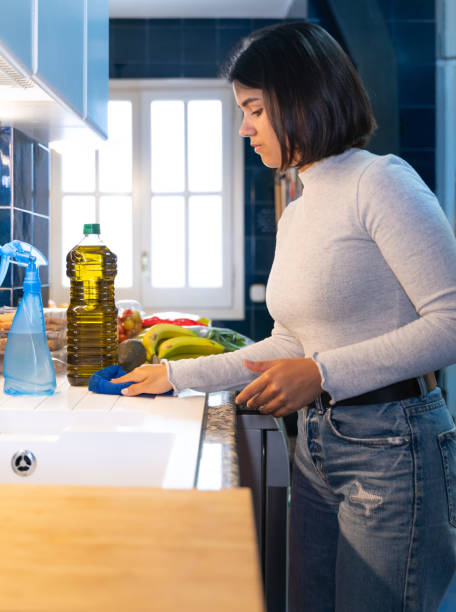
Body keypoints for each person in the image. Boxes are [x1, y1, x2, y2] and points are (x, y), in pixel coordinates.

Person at [112, 21, 456, 612]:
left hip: (393, 449)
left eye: (254, 109)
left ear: (300, 99)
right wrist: (176, 376)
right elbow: (289, 339)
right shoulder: (299, 207)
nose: (243, 127)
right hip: (319, 447)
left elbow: (450, 322)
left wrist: (320, 373)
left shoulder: (382, 182)